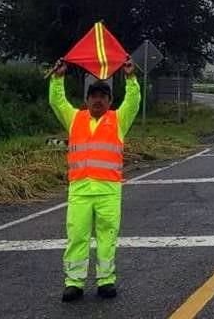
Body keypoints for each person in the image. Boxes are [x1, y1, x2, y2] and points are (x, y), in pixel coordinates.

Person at [49, 58, 140, 302]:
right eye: (94, 95)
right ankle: (74, 283)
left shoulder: (118, 120)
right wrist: (58, 78)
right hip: (80, 189)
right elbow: (57, 102)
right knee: (77, 236)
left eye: (103, 96)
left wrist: (131, 78)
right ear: (86, 100)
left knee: (106, 237)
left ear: (110, 101)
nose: (98, 99)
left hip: (108, 190)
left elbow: (133, 102)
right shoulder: (75, 119)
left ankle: (106, 280)